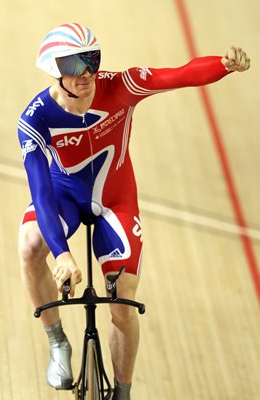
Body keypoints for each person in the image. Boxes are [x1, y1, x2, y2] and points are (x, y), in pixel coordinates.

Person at [18, 22, 250, 400]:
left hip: (116, 199)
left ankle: (123, 392)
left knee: (123, 301)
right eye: (74, 65)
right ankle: (57, 340)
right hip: (64, 196)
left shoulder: (121, 86)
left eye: (91, 59)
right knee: (29, 247)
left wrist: (222, 64)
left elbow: (176, 75)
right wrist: (61, 255)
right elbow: (40, 192)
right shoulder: (35, 120)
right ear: (54, 71)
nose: (86, 73)